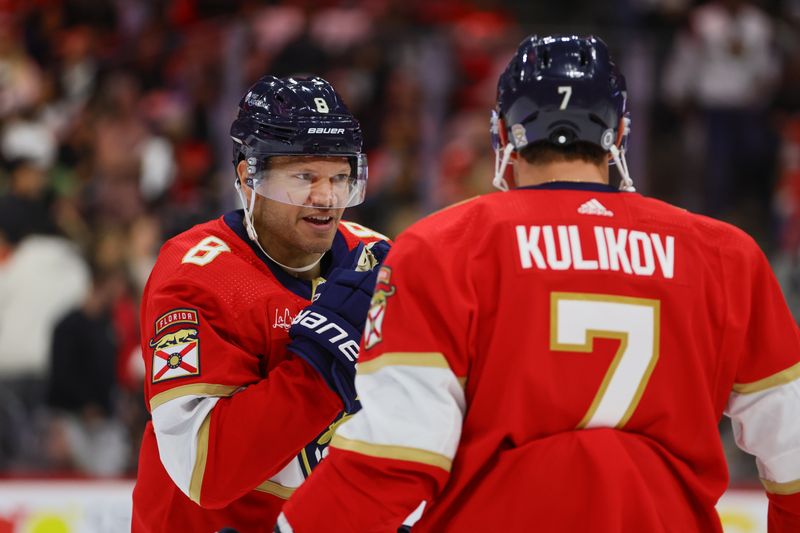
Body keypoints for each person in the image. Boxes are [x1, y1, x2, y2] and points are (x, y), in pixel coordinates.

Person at [277, 35, 800, 532]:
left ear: (504, 135)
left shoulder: (444, 246)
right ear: (618, 136)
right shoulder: (725, 255)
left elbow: (397, 455)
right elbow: (794, 454)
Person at [131, 75, 390, 532]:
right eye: (304, 176)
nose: (327, 197)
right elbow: (204, 470)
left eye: (340, 176)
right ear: (248, 176)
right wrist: (321, 363)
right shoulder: (197, 275)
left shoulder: (375, 258)